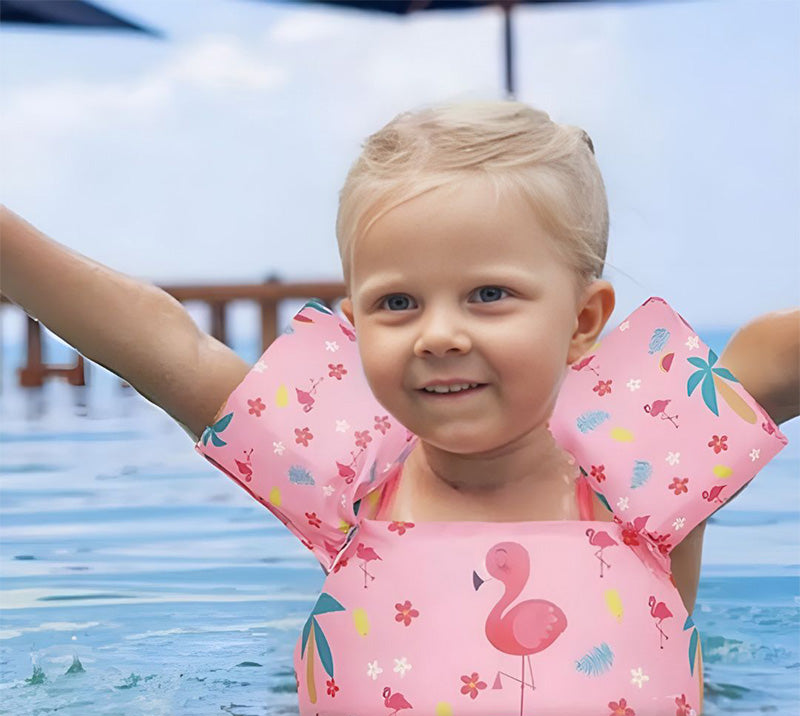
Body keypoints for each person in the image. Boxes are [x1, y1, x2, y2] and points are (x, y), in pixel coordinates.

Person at [1, 100, 797, 656]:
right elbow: (166, 349)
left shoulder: (649, 452)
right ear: (353, 327)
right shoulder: (351, 476)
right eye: (397, 303)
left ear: (585, 320)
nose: (439, 334)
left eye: (490, 295)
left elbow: (781, 353)